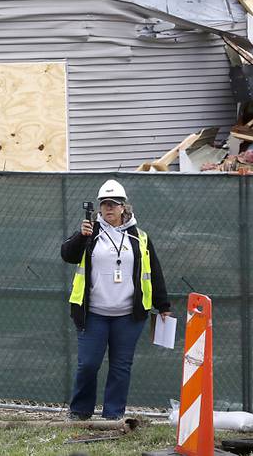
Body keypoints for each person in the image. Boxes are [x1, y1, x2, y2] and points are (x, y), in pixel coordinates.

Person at [61, 179, 171, 420]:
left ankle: (113, 415)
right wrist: (81, 236)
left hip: (128, 316)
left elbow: (154, 271)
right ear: (99, 208)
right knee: (88, 364)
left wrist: (163, 306)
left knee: (121, 366)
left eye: (113, 204)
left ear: (124, 207)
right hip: (93, 314)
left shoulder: (139, 237)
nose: (108, 208)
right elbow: (67, 254)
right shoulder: (91, 232)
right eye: (104, 204)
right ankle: (80, 411)